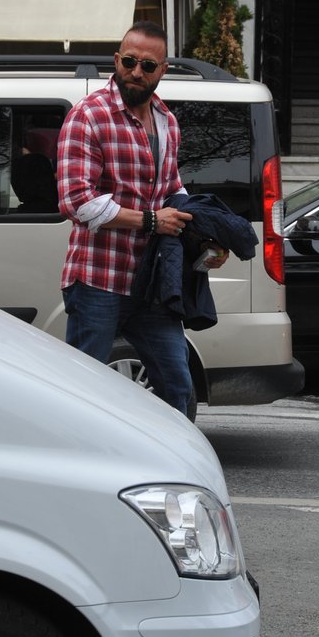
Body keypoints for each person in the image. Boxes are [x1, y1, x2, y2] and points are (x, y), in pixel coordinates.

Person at [57, 21, 228, 415]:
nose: (136, 72)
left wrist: (205, 234)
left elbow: (171, 187)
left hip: (152, 283)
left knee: (177, 387)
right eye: (129, 62)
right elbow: (76, 202)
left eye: (147, 65)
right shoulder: (89, 116)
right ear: (117, 60)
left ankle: (172, 454)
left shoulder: (167, 121)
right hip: (98, 281)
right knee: (81, 393)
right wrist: (151, 221)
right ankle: (85, 456)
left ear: (162, 70)